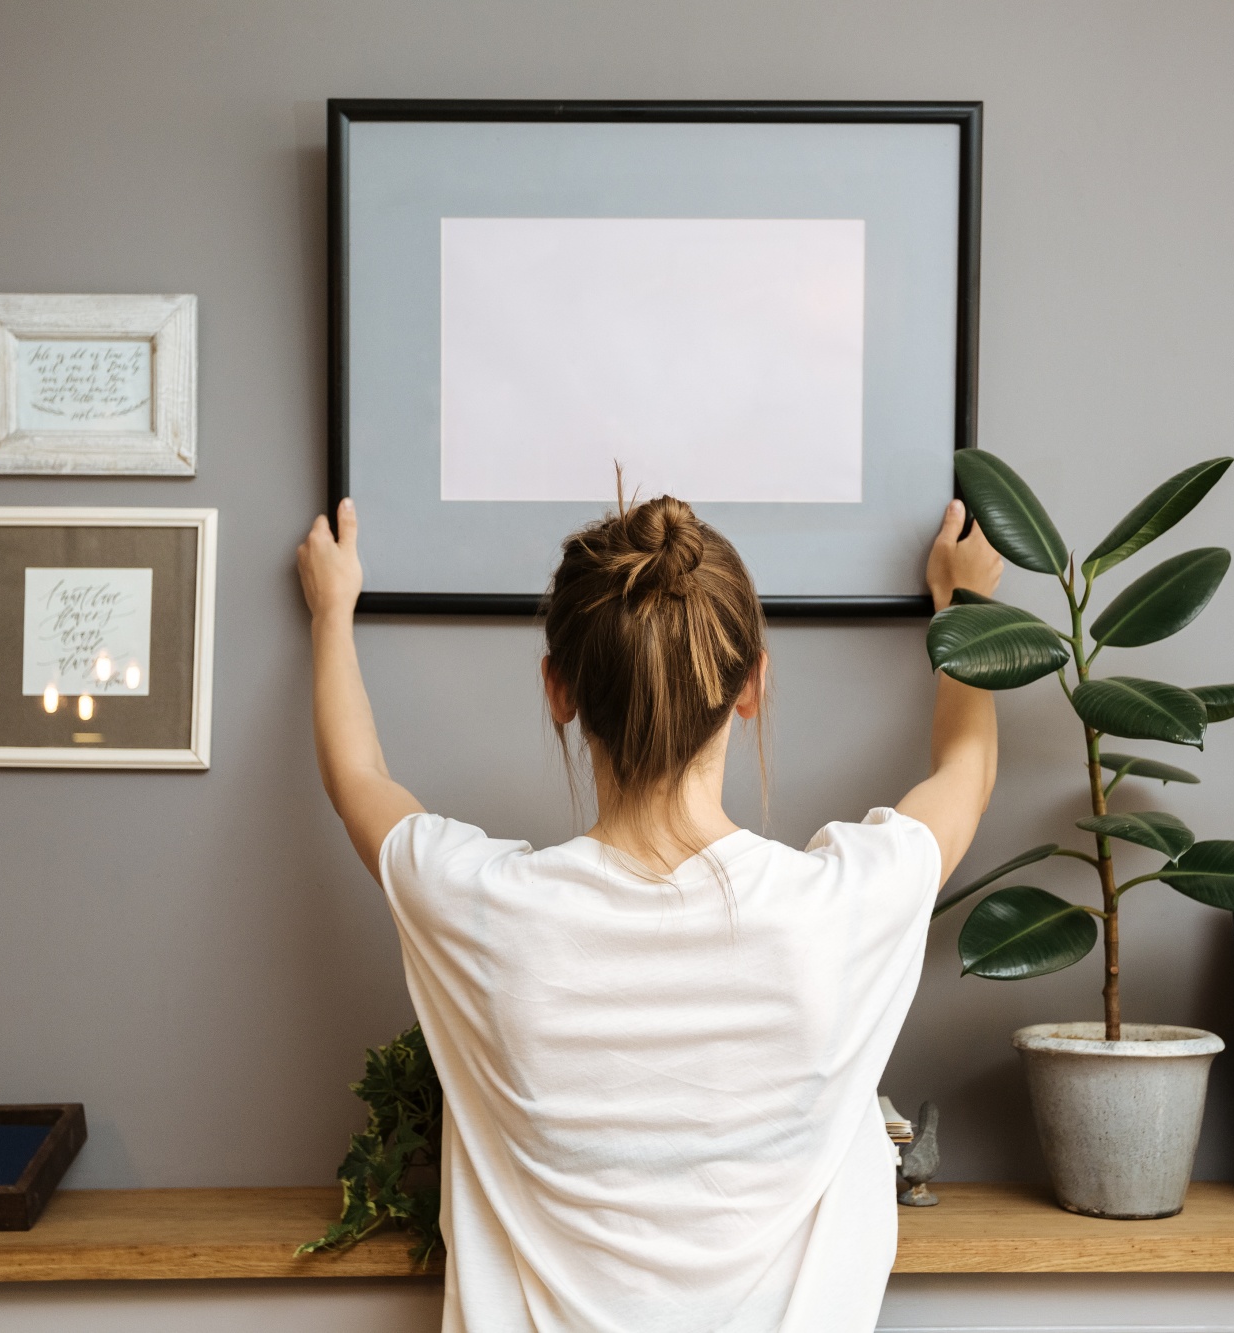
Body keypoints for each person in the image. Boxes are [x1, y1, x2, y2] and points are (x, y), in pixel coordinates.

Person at [298, 492, 1002, 1333]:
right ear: (752, 686)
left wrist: (332, 611)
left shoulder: (488, 910)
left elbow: (358, 781)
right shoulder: (837, 909)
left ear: (558, 689)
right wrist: (966, 605)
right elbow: (968, 770)